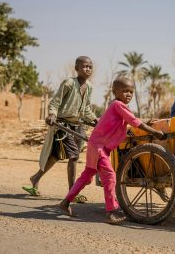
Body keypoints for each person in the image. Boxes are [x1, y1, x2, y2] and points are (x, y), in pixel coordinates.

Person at [57, 77, 165, 224]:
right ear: (115, 92)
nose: (128, 94)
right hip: (99, 147)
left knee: (86, 176)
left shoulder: (118, 106)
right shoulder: (117, 105)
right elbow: (134, 122)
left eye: (131, 92)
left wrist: (145, 124)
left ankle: (65, 203)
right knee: (110, 176)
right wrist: (154, 132)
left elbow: (130, 122)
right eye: (125, 91)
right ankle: (110, 212)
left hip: (96, 146)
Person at [22, 56, 97, 203]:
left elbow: (86, 108)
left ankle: (35, 178)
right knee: (74, 156)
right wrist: (52, 115)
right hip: (63, 125)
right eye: (84, 66)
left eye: (90, 67)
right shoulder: (69, 83)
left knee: (56, 155)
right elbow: (55, 102)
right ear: (77, 68)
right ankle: (72, 192)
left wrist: (95, 120)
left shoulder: (90, 87)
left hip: (79, 125)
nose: (88, 69)